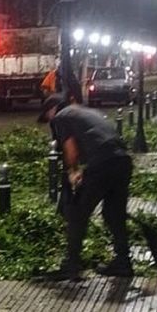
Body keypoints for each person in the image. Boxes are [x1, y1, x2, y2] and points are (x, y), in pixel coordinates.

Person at [38, 93, 133, 281]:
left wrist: (72, 171)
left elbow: (70, 148)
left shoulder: (61, 117)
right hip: (122, 161)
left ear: (52, 110)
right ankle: (123, 262)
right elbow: (95, 139)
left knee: (77, 213)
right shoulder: (86, 111)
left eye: (47, 117)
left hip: (103, 164)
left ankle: (71, 265)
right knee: (114, 214)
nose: (49, 122)